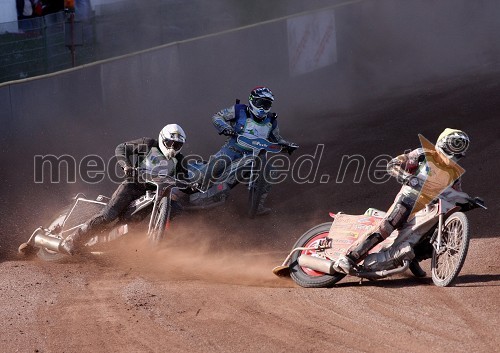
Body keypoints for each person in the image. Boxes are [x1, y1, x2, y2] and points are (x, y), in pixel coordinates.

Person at [333, 128, 470, 274]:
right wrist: (406, 177)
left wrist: (468, 201)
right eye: (452, 148)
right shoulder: (423, 155)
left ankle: (413, 260)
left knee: (433, 235)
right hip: (408, 199)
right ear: (442, 144)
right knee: (387, 226)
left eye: (458, 150)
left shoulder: (455, 174)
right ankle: (349, 258)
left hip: (428, 210)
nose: (453, 155)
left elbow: (456, 194)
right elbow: (393, 164)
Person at [60, 124, 188, 255]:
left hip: (155, 196)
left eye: (176, 145)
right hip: (133, 186)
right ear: (162, 138)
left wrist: (195, 185)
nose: (172, 147)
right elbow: (121, 148)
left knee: (176, 208)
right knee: (108, 216)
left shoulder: (180, 160)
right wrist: (126, 166)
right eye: (170, 142)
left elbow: (186, 181)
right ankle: (73, 240)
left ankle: (141, 245)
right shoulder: (149, 144)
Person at [205, 86, 298, 216]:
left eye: (267, 104)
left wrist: (288, 145)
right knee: (212, 169)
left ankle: (257, 205)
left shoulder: (271, 120)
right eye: (260, 103)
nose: (263, 108)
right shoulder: (239, 110)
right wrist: (225, 127)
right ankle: (194, 191)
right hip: (232, 149)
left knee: (270, 171)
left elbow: (277, 139)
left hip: (256, 156)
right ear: (252, 100)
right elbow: (217, 117)